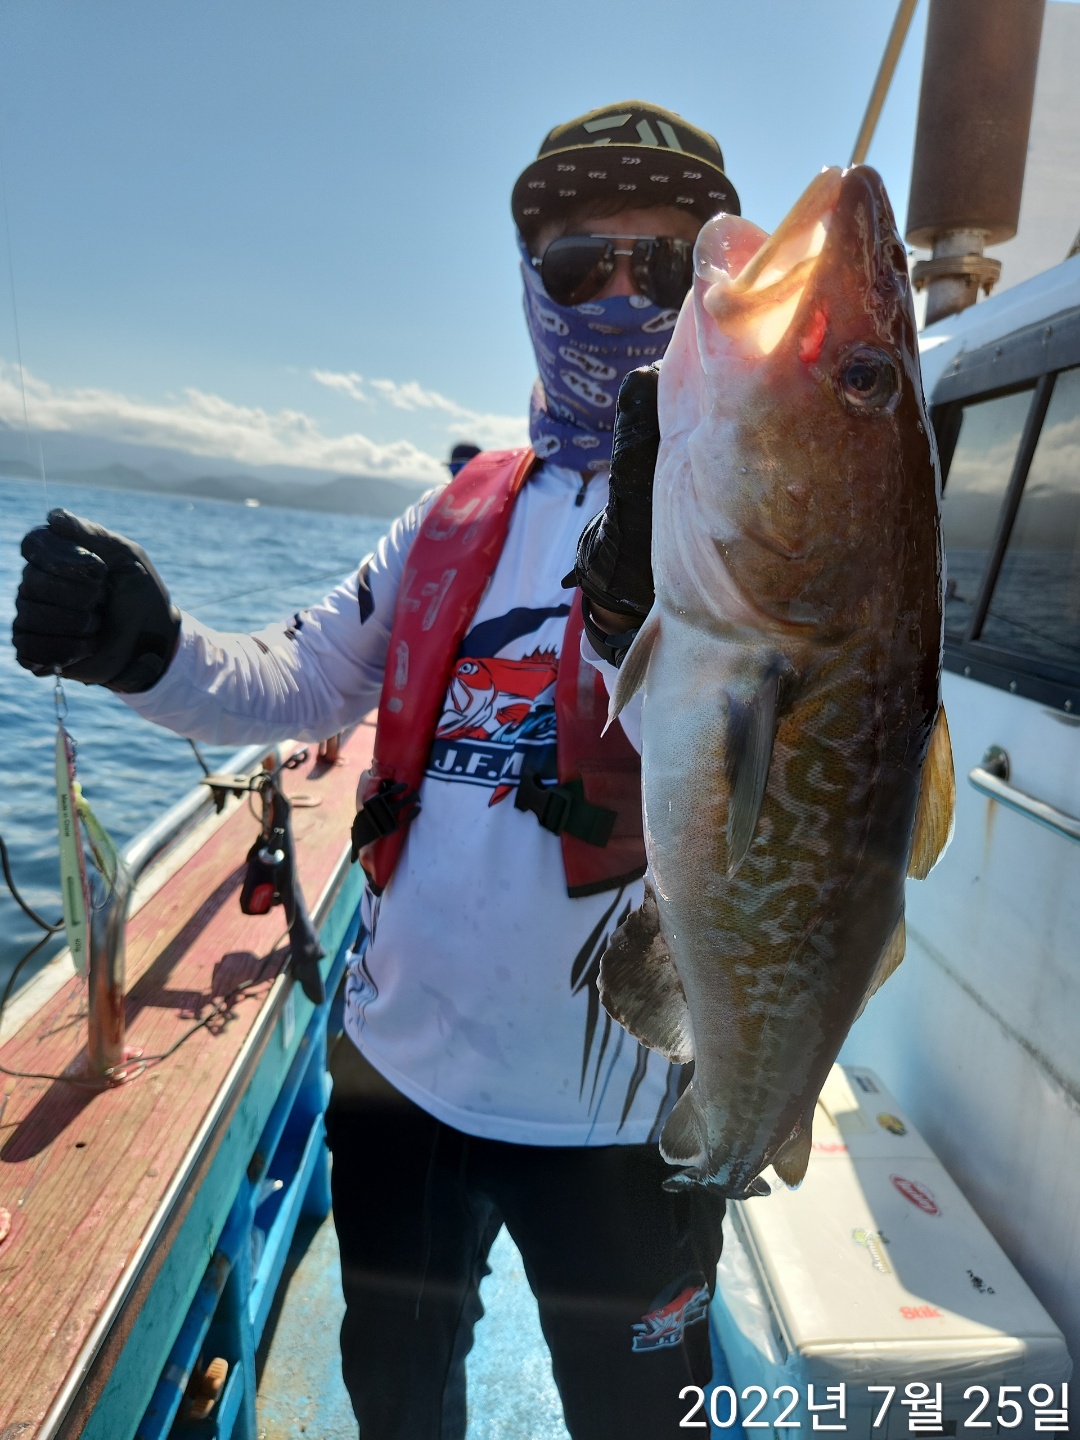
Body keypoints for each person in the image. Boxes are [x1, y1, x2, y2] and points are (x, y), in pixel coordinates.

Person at [12, 101, 741, 1439]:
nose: (622, 294)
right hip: (395, 1081)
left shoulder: (758, 518)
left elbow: (794, 768)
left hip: (630, 1120)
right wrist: (146, 646)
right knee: (397, 1403)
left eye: (667, 262)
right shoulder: (451, 516)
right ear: (533, 284)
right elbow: (294, 682)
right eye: (583, 260)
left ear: (718, 291)